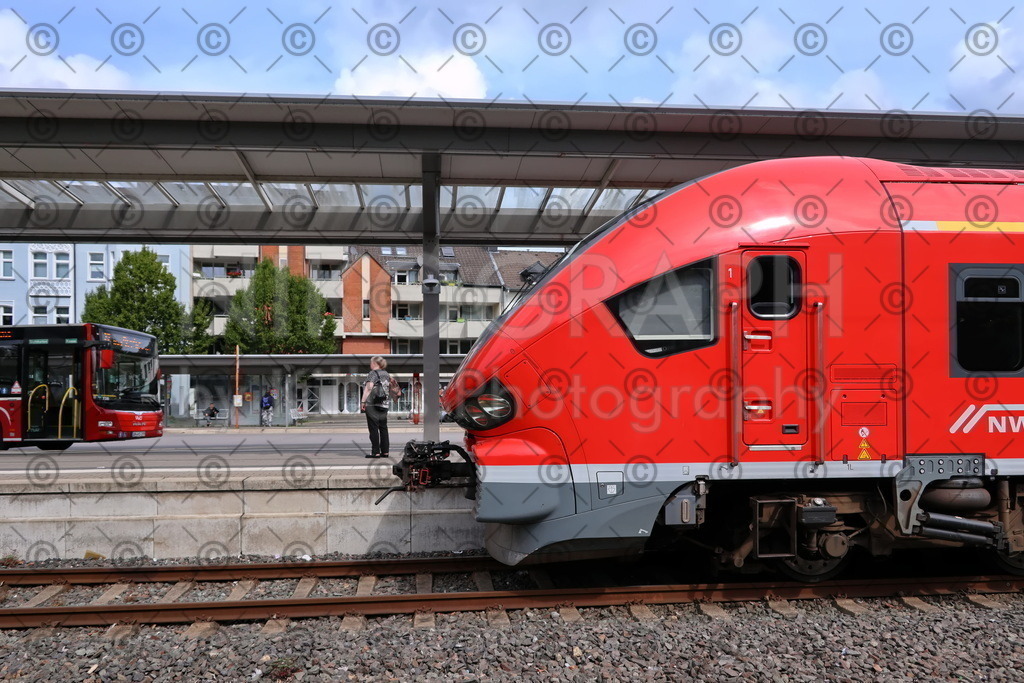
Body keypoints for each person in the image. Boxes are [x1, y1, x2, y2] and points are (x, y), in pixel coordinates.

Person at [361, 355, 391, 458]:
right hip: (384, 404)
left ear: (375, 363)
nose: (370, 364)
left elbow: (368, 388)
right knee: (383, 428)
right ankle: (385, 451)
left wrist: (363, 401)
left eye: (371, 362)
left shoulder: (373, 373)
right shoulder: (386, 374)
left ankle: (376, 452)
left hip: (373, 405)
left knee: (373, 428)